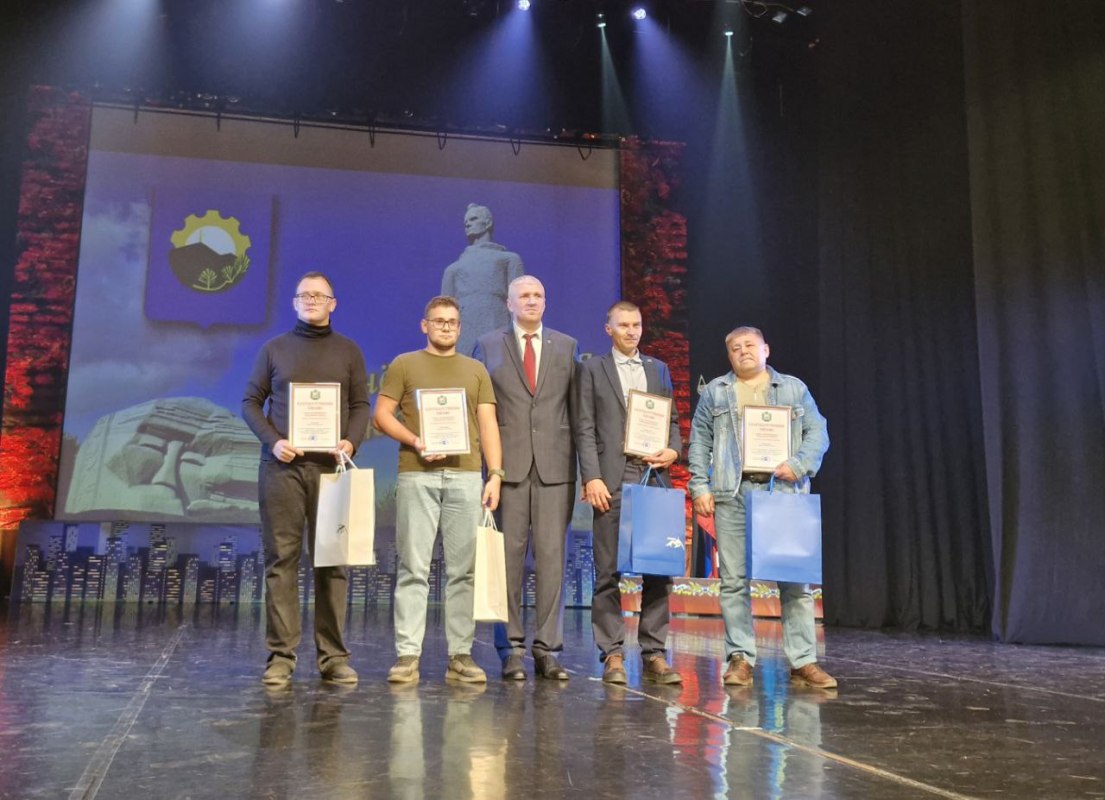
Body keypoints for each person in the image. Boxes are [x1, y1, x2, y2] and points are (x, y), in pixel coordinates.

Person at [688, 326, 836, 689]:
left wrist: (799, 464)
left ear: (766, 349)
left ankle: (803, 661)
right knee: (733, 582)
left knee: (794, 580)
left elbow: (818, 432)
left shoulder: (793, 389)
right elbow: (700, 440)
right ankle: (740, 658)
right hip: (732, 492)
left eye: (750, 345)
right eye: (735, 348)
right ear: (729, 356)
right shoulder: (715, 392)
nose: (743, 352)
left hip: (782, 492)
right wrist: (700, 486)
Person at [242, 271, 370, 687]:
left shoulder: (349, 351)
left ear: (334, 303)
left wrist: (351, 442)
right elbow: (250, 402)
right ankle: (281, 656)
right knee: (281, 560)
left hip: (332, 471)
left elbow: (360, 406)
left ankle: (333, 657)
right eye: (304, 295)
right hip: (282, 469)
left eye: (320, 295)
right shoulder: (274, 349)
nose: (311, 300)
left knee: (332, 562)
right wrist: (274, 441)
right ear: (295, 302)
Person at [374, 295, 504, 685]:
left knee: (463, 572)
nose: (445, 327)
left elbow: (488, 424)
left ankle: (460, 656)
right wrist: (416, 441)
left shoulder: (475, 370)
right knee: (413, 568)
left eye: (452, 322)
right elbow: (381, 415)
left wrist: (495, 474)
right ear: (424, 325)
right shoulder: (404, 364)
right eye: (438, 321)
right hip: (417, 475)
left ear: (459, 328)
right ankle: (407, 656)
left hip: (466, 477)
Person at [473, 275, 579, 681]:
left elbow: (578, 411)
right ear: (509, 303)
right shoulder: (487, 345)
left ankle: (548, 649)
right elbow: (478, 412)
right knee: (508, 562)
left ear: (545, 302)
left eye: (538, 295)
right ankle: (511, 649)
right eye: (524, 296)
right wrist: (487, 469)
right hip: (507, 470)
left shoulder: (567, 346)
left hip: (556, 468)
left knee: (552, 561)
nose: (532, 301)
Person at [577, 301, 683, 685]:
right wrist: (592, 477)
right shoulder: (592, 369)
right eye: (623, 325)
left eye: (636, 324)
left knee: (657, 568)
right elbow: (584, 426)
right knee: (608, 571)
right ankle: (613, 653)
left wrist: (673, 450)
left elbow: (672, 420)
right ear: (609, 329)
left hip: (653, 475)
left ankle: (654, 653)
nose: (631, 331)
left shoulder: (658, 369)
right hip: (612, 477)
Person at [441, 203, 525, 356]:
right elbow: (444, 315)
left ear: (488, 223)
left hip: (498, 329)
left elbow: (520, 305)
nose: (468, 224)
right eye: (466, 222)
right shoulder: (453, 270)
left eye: (473, 219)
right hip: (464, 338)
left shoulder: (509, 259)